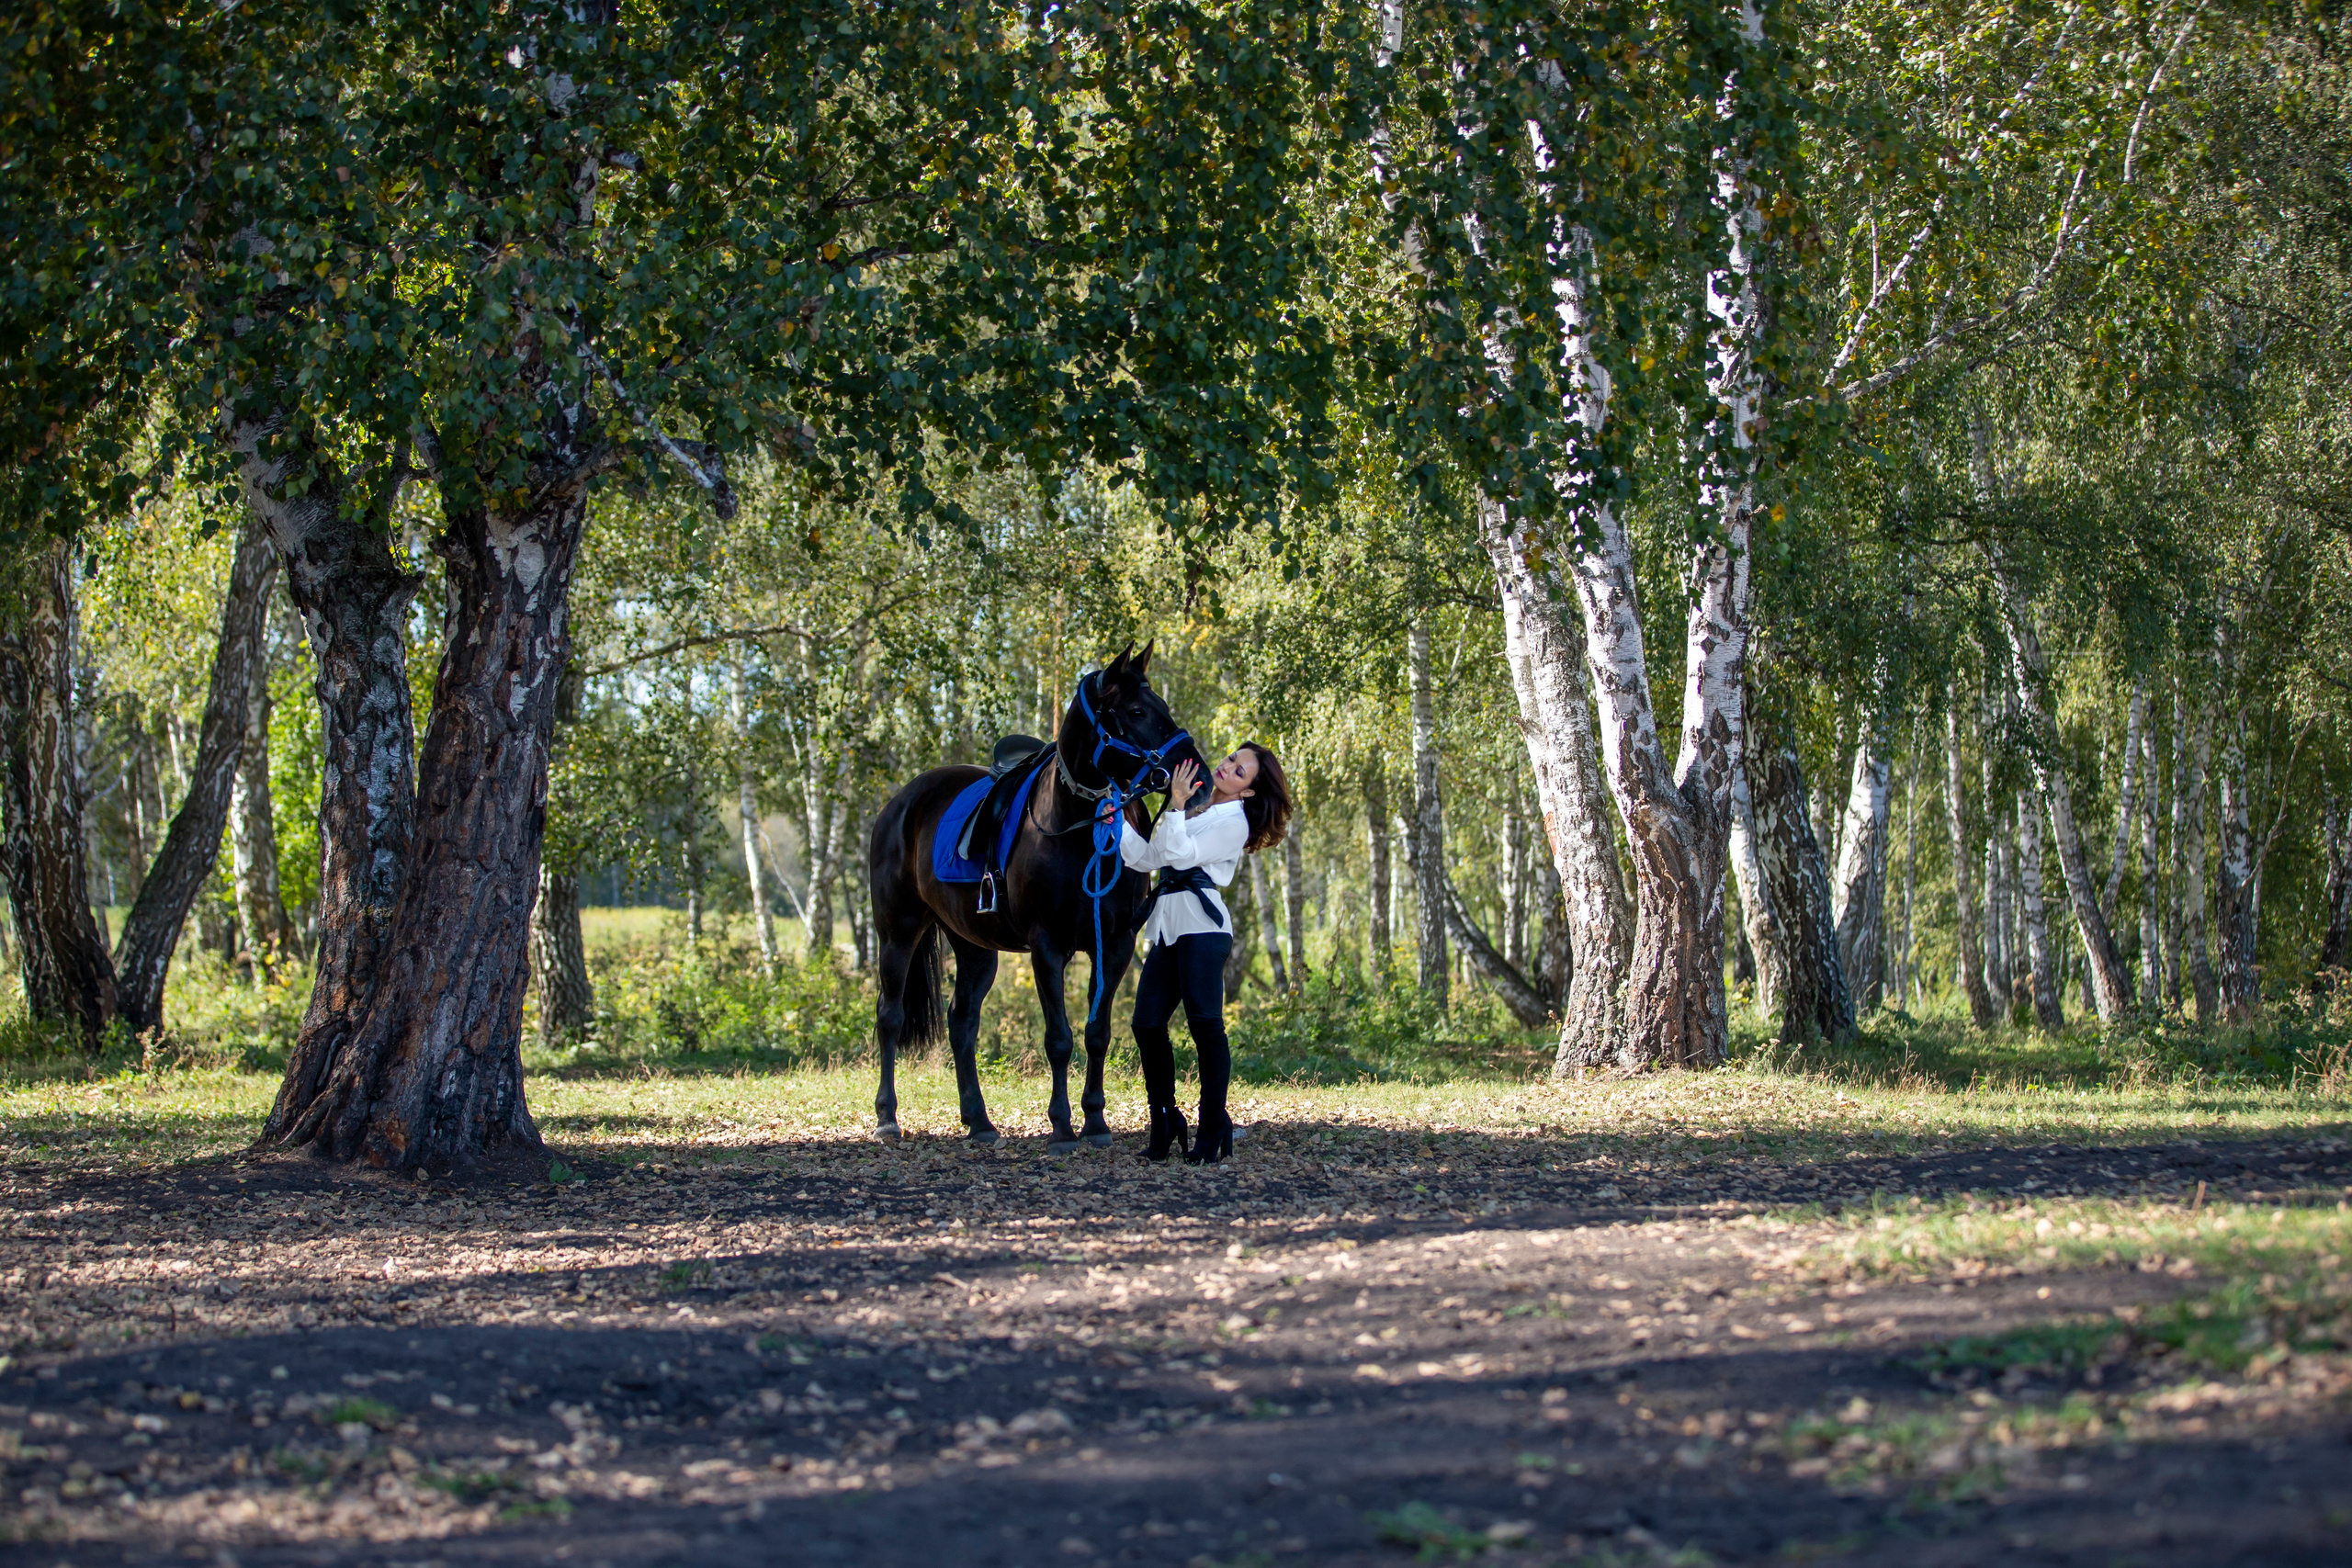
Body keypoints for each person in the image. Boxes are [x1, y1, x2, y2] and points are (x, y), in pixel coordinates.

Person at [1104, 744, 1295, 1164]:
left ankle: (1213, 1126)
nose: (1226, 769)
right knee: (1146, 1024)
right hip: (1170, 927)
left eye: (1239, 772)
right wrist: (1115, 820)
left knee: (1205, 1026)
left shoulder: (1235, 823)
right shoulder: (1198, 812)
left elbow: (1180, 855)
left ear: (1247, 791)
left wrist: (1174, 805)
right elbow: (1150, 857)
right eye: (1230, 761)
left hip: (1204, 930)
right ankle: (1166, 1118)